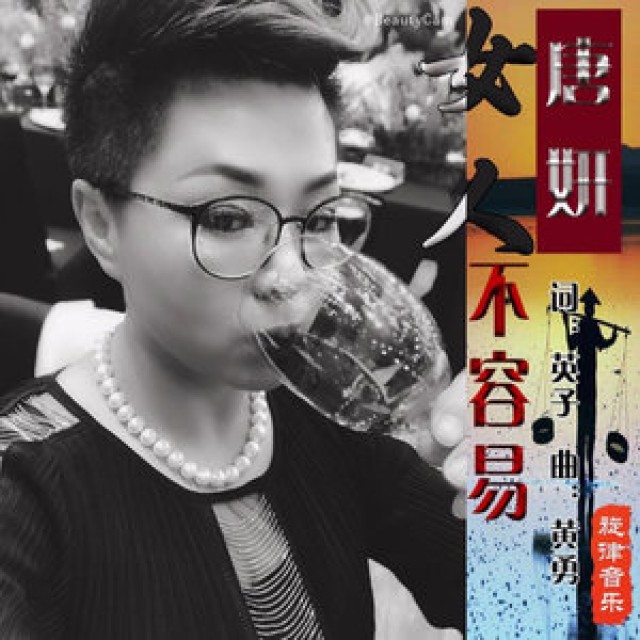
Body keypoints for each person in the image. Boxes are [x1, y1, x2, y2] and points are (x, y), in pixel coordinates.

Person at [0, 0, 466, 637]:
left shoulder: (328, 412)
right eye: (227, 218)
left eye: (320, 218)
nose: (289, 276)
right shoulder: (24, 493)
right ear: (101, 224)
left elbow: (544, 601)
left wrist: (548, 493)